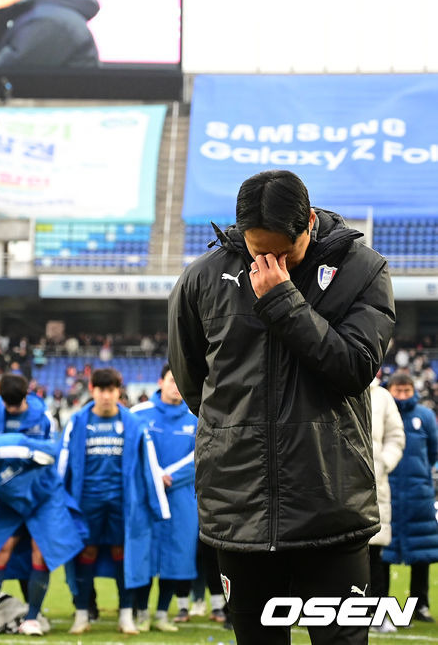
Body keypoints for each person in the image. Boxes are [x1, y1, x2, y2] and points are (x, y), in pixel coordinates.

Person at [168, 169, 396, 645]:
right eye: (258, 251)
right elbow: (195, 386)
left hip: (331, 507)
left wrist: (282, 299)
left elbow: (354, 369)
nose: (270, 261)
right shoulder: (203, 278)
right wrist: (233, 432)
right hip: (239, 507)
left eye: (282, 251)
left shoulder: (363, 270)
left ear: (309, 223)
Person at [57, 367, 171, 635]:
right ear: (92, 390)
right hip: (86, 503)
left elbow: (149, 467)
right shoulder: (78, 421)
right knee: (86, 554)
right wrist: (59, 502)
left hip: (123, 504)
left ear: (118, 391)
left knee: (124, 555)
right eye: (101, 390)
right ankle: (82, 614)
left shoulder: (133, 424)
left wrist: (157, 508)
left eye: (111, 390)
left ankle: (125, 615)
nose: (106, 396)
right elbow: (63, 464)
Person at [0, 428, 85, 636]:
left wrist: (41, 458)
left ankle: (32, 619)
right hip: (11, 505)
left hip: (44, 499)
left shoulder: (12, 448)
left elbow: (52, 451)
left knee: (40, 551)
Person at [131, 364, 199, 632]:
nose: (176, 387)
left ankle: (162, 614)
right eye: (172, 380)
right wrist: (153, 476)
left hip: (181, 498)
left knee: (177, 558)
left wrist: (169, 476)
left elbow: (203, 455)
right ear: (161, 382)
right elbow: (131, 453)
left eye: (181, 382)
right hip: (146, 498)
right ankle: (141, 612)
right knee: (144, 555)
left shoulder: (197, 418)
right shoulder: (139, 415)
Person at [382, 372, 438, 623]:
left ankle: (420, 604)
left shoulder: (425, 416)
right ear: (390, 389)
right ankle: (380, 603)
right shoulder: (381, 411)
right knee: (382, 552)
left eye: (406, 391)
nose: (402, 395)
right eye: (398, 391)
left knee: (421, 552)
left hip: (418, 494)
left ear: (413, 391)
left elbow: (434, 451)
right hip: (387, 491)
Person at [368, 376, 405, 634]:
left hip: (374, 485)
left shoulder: (381, 396)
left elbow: (396, 436)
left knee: (375, 554)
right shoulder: (329, 383)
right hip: (332, 485)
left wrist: (384, 463)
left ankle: (379, 613)